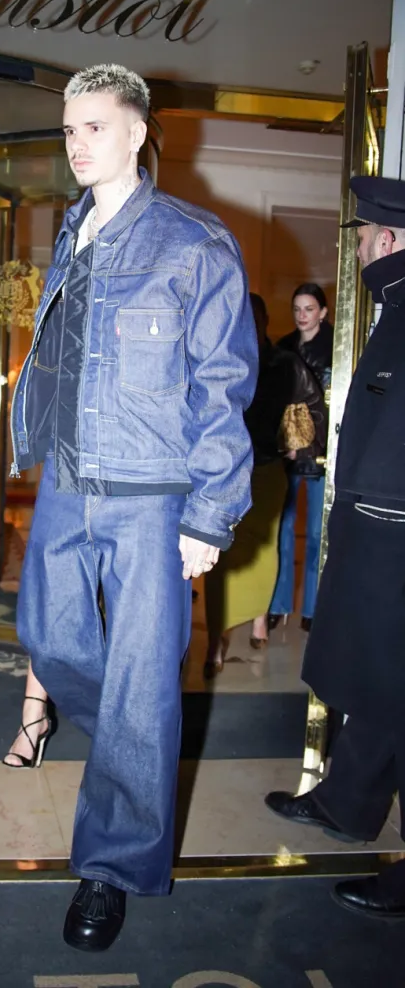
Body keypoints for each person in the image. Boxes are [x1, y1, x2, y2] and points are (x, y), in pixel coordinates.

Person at [10, 63, 257, 951]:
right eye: (68, 130)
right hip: (69, 484)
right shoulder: (70, 233)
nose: (76, 145)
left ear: (138, 134)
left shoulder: (193, 242)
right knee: (50, 635)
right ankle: (122, 739)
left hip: (154, 497)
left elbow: (223, 386)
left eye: (94, 128)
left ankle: (108, 869)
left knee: (145, 683)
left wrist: (209, 515)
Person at [265, 175, 405, 921]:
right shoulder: (394, 305)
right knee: (386, 686)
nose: (354, 248)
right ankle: (348, 804)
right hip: (380, 530)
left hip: (396, 536)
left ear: (387, 239)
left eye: (360, 237)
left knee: (395, 684)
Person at [204, 293, 327, 676]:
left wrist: (300, 446)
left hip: (269, 468)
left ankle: (259, 619)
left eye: (256, 318)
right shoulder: (222, 360)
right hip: (227, 470)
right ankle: (214, 639)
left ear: (266, 321)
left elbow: (314, 404)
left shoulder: (284, 363)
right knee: (219, 556)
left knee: (265, 550)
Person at [268, 283, 333, 633]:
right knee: (284, 531)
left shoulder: (337, 349)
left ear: (323, 312)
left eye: (309, 309)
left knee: (316, 535)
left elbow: (332, 408)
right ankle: (279, 604)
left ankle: (311, 607)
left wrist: (309, 446)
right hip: (287, 455)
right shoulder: (284, 349)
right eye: (297, 309)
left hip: (320, 455)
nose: (302, 315)